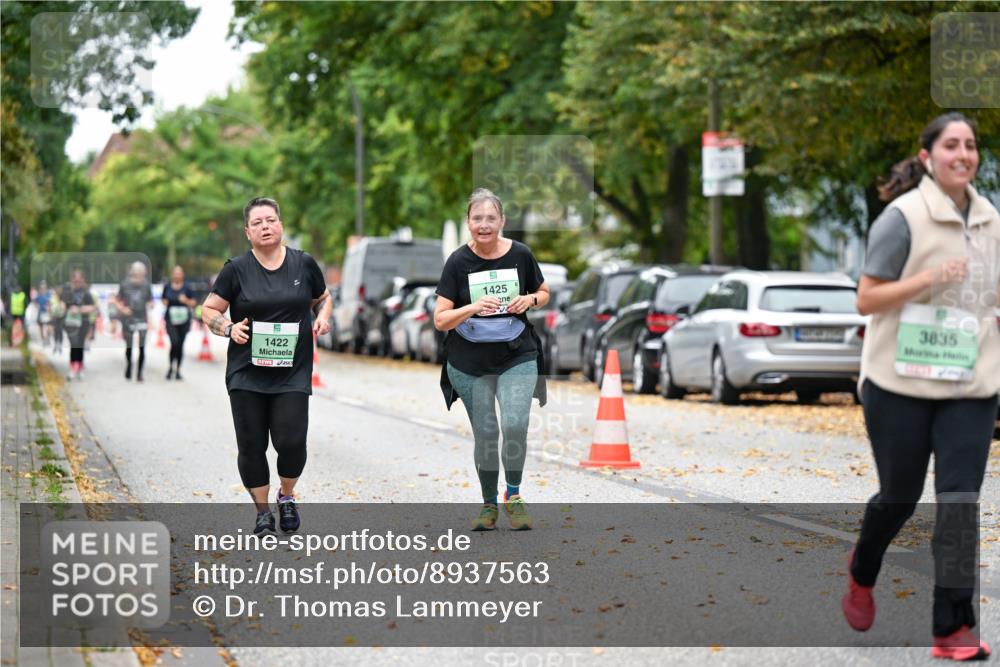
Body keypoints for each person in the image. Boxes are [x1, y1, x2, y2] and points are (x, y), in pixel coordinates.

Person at [844, 113, 1000, 660]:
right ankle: (863, 569)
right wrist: (930, 280)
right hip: (899, 385)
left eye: (972, 146)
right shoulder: (902, 217)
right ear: (928, 156)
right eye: (952, 145)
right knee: (899, 498)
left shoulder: (990, 221)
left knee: (959, 502)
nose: (964, 154)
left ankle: (953, 628)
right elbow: (867, 299)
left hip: (969, 384)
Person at [201, 197, 332, 536]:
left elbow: (323, 298)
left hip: (292, 371)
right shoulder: (236, 269)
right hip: (247, 372)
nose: (265, 227)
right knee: (251, 443)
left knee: (290, 441)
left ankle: (286, 495)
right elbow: (209, 310)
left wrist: (323, 319)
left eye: (270, 220)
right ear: (248, 232)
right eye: (257, 222)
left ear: (281, 224)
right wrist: (229, 328)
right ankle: (262, 512)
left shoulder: (303, 264)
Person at [434, 188, 550, 531]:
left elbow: (544, 292)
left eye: (491, 218)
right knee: (486, 433)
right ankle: (488, 506)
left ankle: (513, 495)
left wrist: (529, 300)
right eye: (477, 218)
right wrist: (471, 307)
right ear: (468, 222)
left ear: (502, 221)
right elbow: (441, 319)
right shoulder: (457, 262)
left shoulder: (521, 255)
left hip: (516, 354)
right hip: (469, 361)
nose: (484, 225)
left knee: (515, 424)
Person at [116, 262, 153, 382]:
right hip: (128, 319)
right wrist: (122, 309)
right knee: (129, 346)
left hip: (142, 318)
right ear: (132, 272)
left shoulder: (146, 285)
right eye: (137, 272)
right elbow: (116, 300)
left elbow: (150, 300)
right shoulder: (125, 284)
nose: (139, 275)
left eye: (142, 273)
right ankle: (129, 365)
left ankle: (139, 373)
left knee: (142, 347)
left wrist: (151, 304)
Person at [162, 265, 197, 380]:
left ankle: (177, 370)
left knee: (180, 345)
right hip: (171, 319)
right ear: (172, 275)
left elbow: (194, 303)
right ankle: (170, 367)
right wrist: (165, 302)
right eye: (175, 273)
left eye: (179, 273)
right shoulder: (167, 286)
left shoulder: (187, 287)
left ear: (182, 275)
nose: (177, 275)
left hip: (184, 320)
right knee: (174, 342)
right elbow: (163, 299)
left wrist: (186, 300)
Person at [61, 270, 96, 380]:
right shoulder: (67, 293)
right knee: (74, 343)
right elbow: (62, 305)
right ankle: (73, 367)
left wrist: (79, 309)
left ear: (83, 281)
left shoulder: (86, 293)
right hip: (70, 323)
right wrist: (65, 308)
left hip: (83, 322)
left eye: (79, 280)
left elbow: (93, 307)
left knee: (80, 344)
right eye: (75, 280)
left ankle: (80, 366)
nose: (77, 282)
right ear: (72, 280)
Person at [35, 281, 52, 346]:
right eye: (41, 288)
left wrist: (49, 306)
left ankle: (47, 338)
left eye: (44, 288)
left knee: (50, 327)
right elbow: (35, 302)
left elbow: (51, 302)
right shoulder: (38, 296)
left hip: (47, 313)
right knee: (41, 327)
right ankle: (43, 340)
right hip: (41, 313)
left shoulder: (49, 295)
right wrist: (37, 306)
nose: (43, 289)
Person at [50, 290, 66, 354]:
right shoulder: (53, 299)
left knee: (60, 331)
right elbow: (50, 307)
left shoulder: (62, 300)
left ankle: (60, 345)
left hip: (61, 318)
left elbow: (64, 308)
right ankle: (56, 344)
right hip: (55, 317)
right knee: (56, 331)